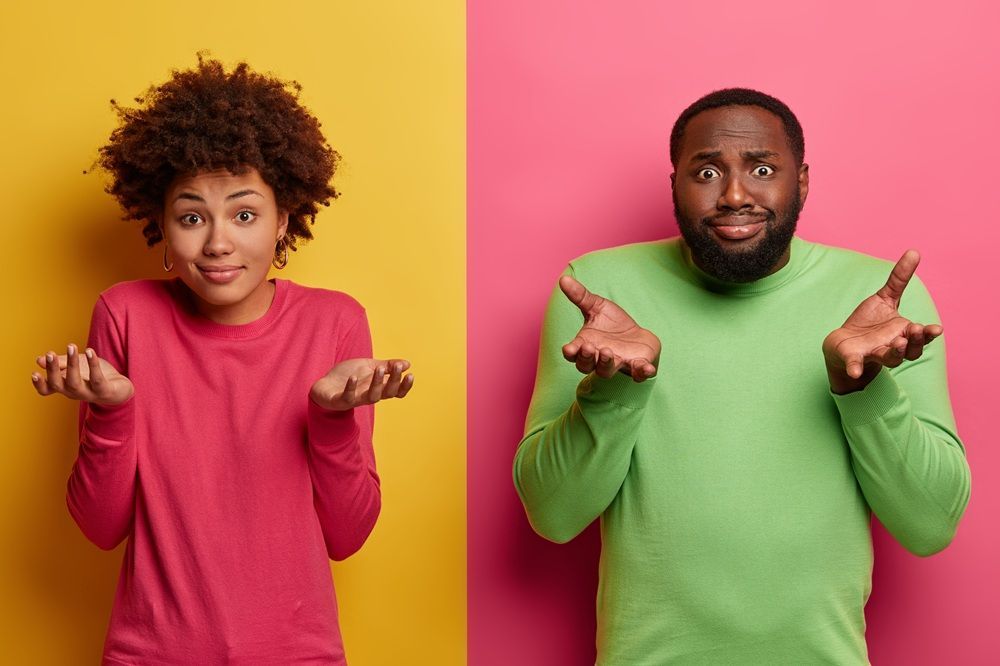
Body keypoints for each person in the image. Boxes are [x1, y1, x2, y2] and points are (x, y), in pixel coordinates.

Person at [513, 88, 971, 665]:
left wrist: (863, 388)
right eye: (707, 172)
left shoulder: (879, 302)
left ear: (802, 182)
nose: (734, 195)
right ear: (674, 184)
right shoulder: (600, 294)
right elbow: (553, 515)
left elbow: (931, 524)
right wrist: (612, 389)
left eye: (762, 169)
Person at [30, 56, 413, 664]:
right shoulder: (125, 314)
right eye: (191, 217)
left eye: (244, 214)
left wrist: (332, 420)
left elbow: (348, 535)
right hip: (150, 653)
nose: (216, 242)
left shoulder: (334, 321)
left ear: (283, 221)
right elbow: (100, 529)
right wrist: (112, 413)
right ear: (161, 224)